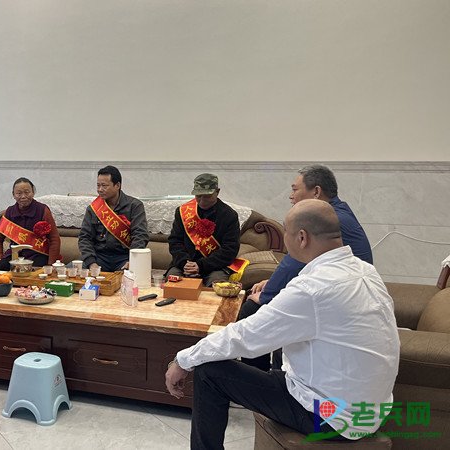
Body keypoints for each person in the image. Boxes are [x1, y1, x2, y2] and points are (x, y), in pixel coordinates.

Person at [165, 199, 399, 449]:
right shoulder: (365, 271)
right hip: (370, 411)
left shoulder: (312, 289)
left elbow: (245, 335)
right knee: (281, 350)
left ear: (302, 237)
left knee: (209, 372)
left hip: (330, 417)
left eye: (285, 231)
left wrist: (183, 360)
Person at [240, 164, 374, 371]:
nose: (291, 196)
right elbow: (303, 262)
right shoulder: (339, 211)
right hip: (343, 291)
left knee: (253, 308)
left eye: (295, 189)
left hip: (341, 300)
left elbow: (294, 261)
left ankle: (257, 378)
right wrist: (273, 284)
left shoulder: (327, 220)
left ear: (316, 192)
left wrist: (268, 295)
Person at [167, 173, 246, 287]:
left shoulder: (229, 215)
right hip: (184, 265)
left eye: (207, 196)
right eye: (198, 196)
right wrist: (185, 263)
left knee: (217, 284)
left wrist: (201, 265)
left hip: (214, 266)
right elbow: (175, 241)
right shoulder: (183, 212)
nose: (202, 201)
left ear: (217, 192)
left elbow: (230, 249)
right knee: (172, 282)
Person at [78, 165, 148, 272]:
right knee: (72, 270)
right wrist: (91, 263)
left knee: (134, 275)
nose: (100, 190)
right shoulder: (94, 208)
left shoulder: (134, 206)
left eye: (104, 186)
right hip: (99, 257)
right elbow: (85, 238)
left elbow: (140, 235)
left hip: (124, 257)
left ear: (117, 185)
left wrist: (133, 261)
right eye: (98, 185)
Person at [0, 177, 61, 270]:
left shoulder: (42, 210)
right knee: (0, 269)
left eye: (27, 192)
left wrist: (51, 264)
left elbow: (54, 239)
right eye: (19, 193)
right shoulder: (10, 211)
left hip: (38, 254)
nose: (23, 196)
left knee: (34, 272)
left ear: (33, 192)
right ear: (13, 195)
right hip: (14, 255)